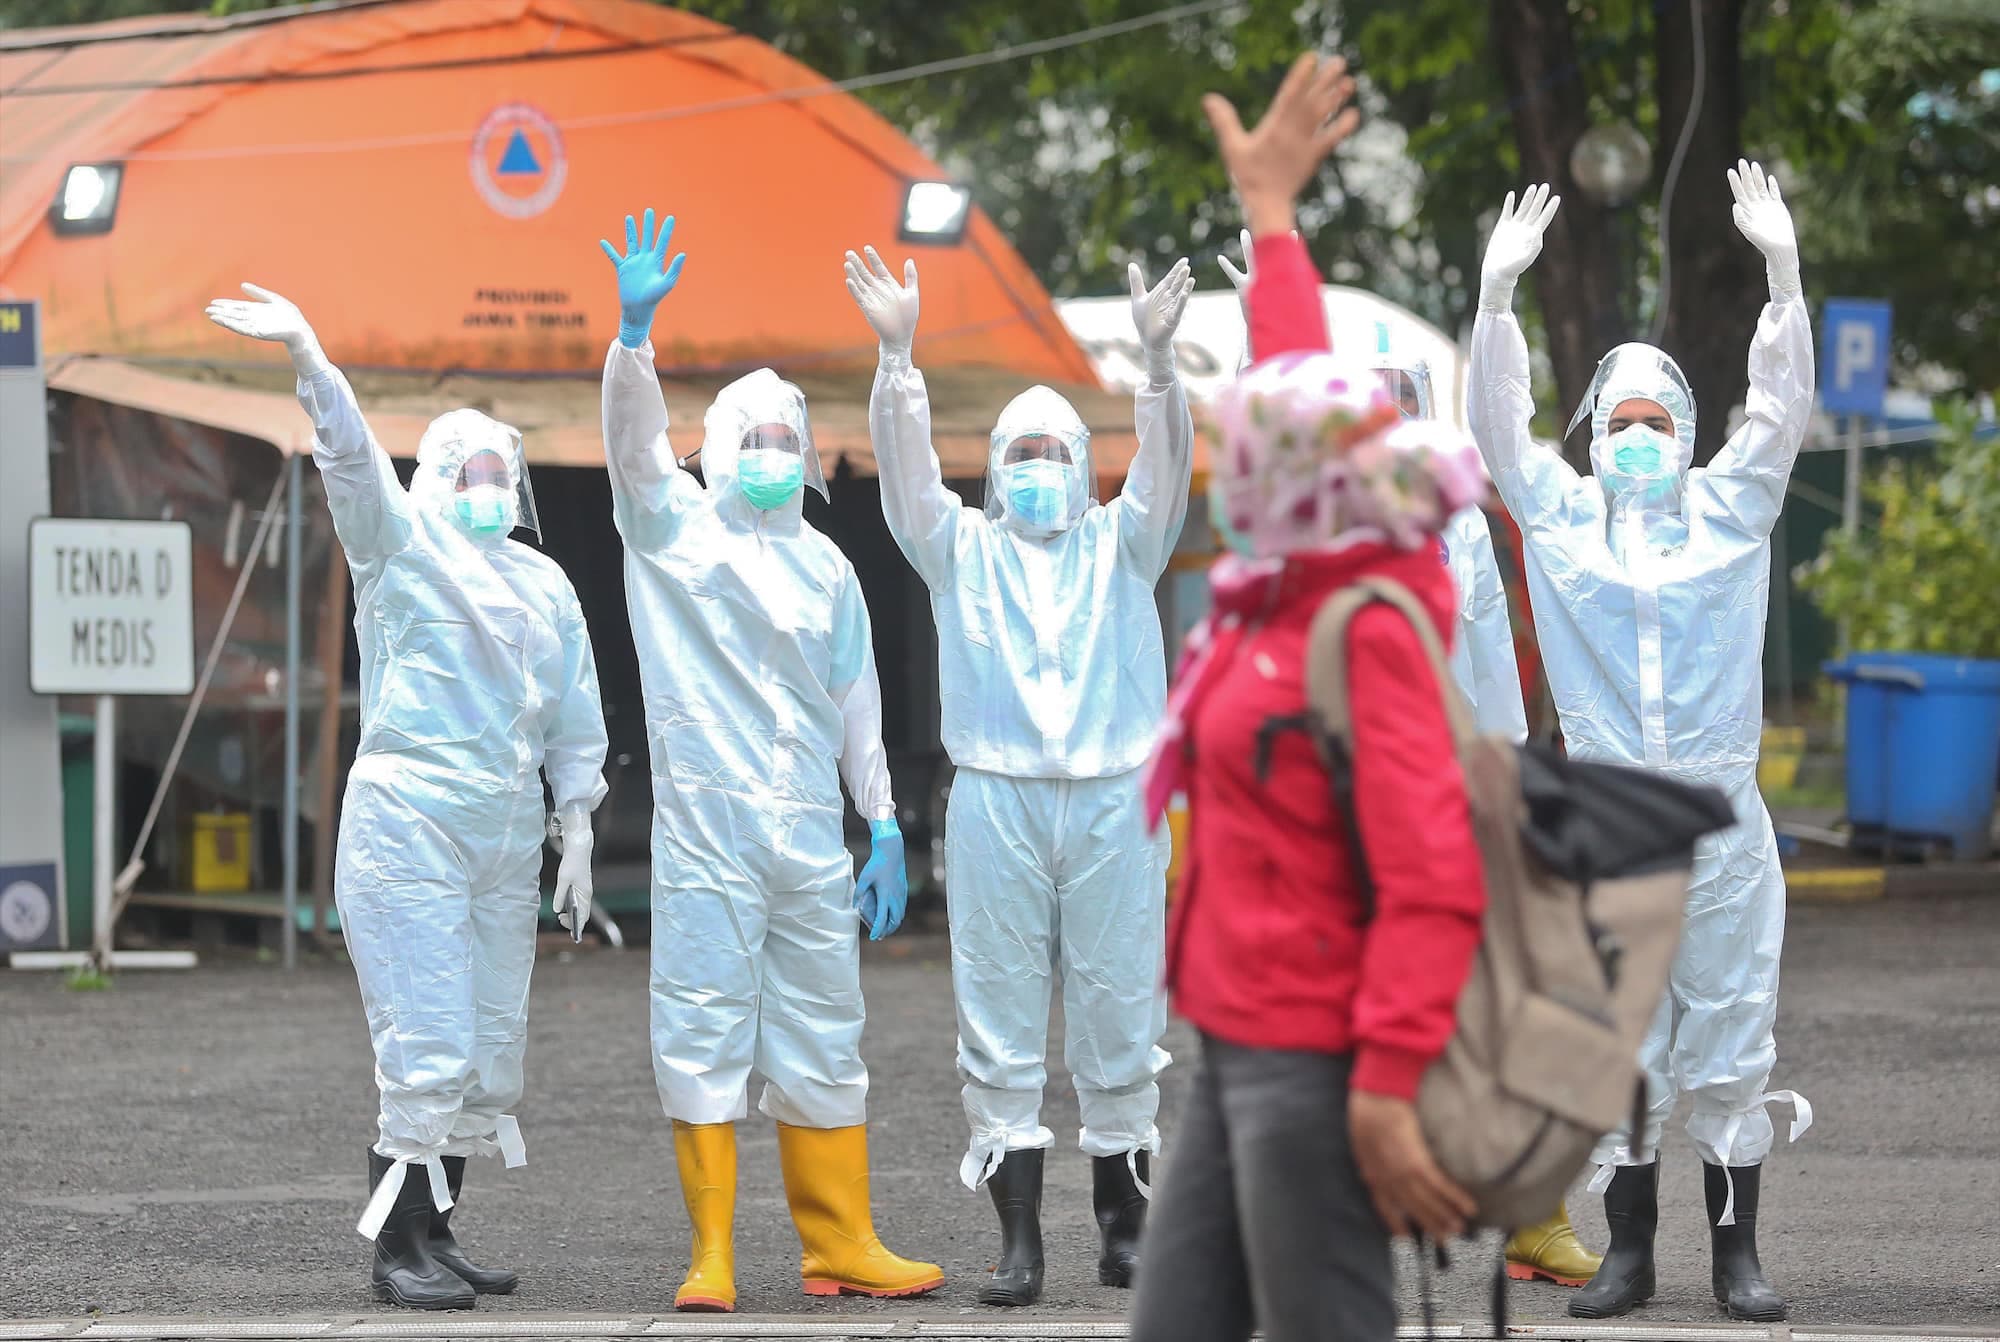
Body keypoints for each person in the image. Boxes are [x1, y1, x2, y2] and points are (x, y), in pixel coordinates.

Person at [1128, 54, 1487, 1342]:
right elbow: (1300, 387)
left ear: (1296, 482)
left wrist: (1387, 1083)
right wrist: (1271, 217)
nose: (1224, 467)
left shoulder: (1360, 622)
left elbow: (1436, 875)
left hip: (1322, 1061)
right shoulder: (1284, 578)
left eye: (1241, 453)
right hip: (1237, 1040)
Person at [204, 285, 608, 1311]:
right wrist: (311, 359)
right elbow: (349, 463)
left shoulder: (546, 586)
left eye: (497, 472)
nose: (485, 486)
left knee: (483, 1046)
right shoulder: (400, 546)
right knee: (425, 1040)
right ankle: (394, 1250)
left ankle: (441, 1232)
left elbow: (571, 712)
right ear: (433, 478)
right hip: (411, 823)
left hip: (506, 829)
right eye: (466, 470)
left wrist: (577, 829)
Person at [1466, 166, 1815, 1322]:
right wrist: (1494, 302)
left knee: (1728, 1040)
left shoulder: (1732, 511)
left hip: (1720, 831)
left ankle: (1735, 1257)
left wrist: (1780, 273)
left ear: (1686, 434)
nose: (1636, 441)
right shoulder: (1561, 526)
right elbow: (1496, 436)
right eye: (1617, 423)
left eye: (1656, 423)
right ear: (1593, 434)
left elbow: (1780, 411)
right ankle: (1627, 1256)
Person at [596, 210, 940, 1314]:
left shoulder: (829, 566)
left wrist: (880, 821)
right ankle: (710, 1252)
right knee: (698, 1019)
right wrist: (633, 342)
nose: (769, 457)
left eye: (784, 438)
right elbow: (634, 451)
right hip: (705, 828)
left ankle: (840, 1240)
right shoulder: (671, 534)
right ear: (713, 446)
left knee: (825, 1025)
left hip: (804, 831)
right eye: (748, 437)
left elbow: (855, 699)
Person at [842, 229, 1195, 1304]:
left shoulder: (1122, 542)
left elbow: (1166, 474)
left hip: (1110, 800)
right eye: (1017, 457)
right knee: (993, 1010)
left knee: (1118, 1005)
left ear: (1081, 468)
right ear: (992, 472)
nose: (1036, 473)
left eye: (1053, 455)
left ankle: (1123, 1221)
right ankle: (1016, 1237)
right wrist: (898, 367)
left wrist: (1160, 372)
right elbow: (905, 491)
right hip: (993, 799)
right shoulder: (961, 551)